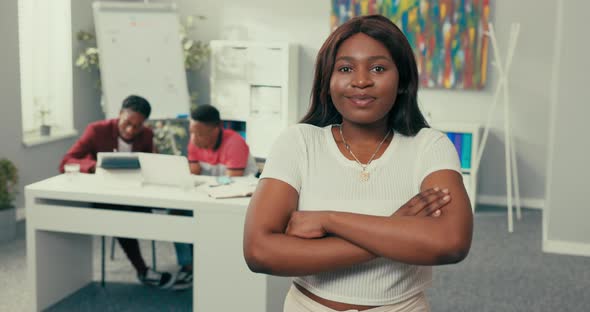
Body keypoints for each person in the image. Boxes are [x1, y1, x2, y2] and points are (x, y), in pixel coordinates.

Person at [243, 15, 473, 312]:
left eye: (378, 68)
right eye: (345, 68)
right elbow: (259, 251)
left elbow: (450, 243)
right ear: (327, 82)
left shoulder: (429, 146)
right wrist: (397, 230)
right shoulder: (298, 142)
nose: (361, 81)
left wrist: (329, 220)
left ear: (402, 80)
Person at [59, 95, 174, 289]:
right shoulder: (97, 130)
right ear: (119, 114)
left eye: (137, 126)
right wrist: (97, 167)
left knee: (172, 212)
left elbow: (152, 166)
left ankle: (188, 267)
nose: (131, 130)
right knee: (120, 213)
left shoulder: (146, 135)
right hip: (106, 197)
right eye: (127, 123)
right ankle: (143, 270)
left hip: (137, 195)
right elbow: (66, 161)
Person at [170, 104, 258, 290]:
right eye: (192, 132)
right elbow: (193, 174)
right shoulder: (194, 143)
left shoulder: (235, 143)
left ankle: (218, 267)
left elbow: (231, 182)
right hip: (208, 196)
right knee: (176, 212)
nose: (193, 138)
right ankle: (188, 266)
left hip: (237, 201)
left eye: (199, 133)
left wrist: (199, 182)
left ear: (216, 129)